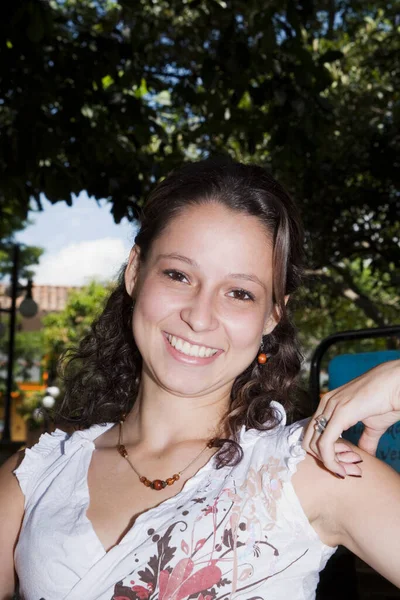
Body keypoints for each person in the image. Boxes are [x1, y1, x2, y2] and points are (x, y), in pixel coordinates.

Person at [0, 158, 399, 600]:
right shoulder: (34, 478)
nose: (199, 316)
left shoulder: (314, 471)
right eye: (178, 275)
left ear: (272, 315)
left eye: (239, 293)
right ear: (135, 271)